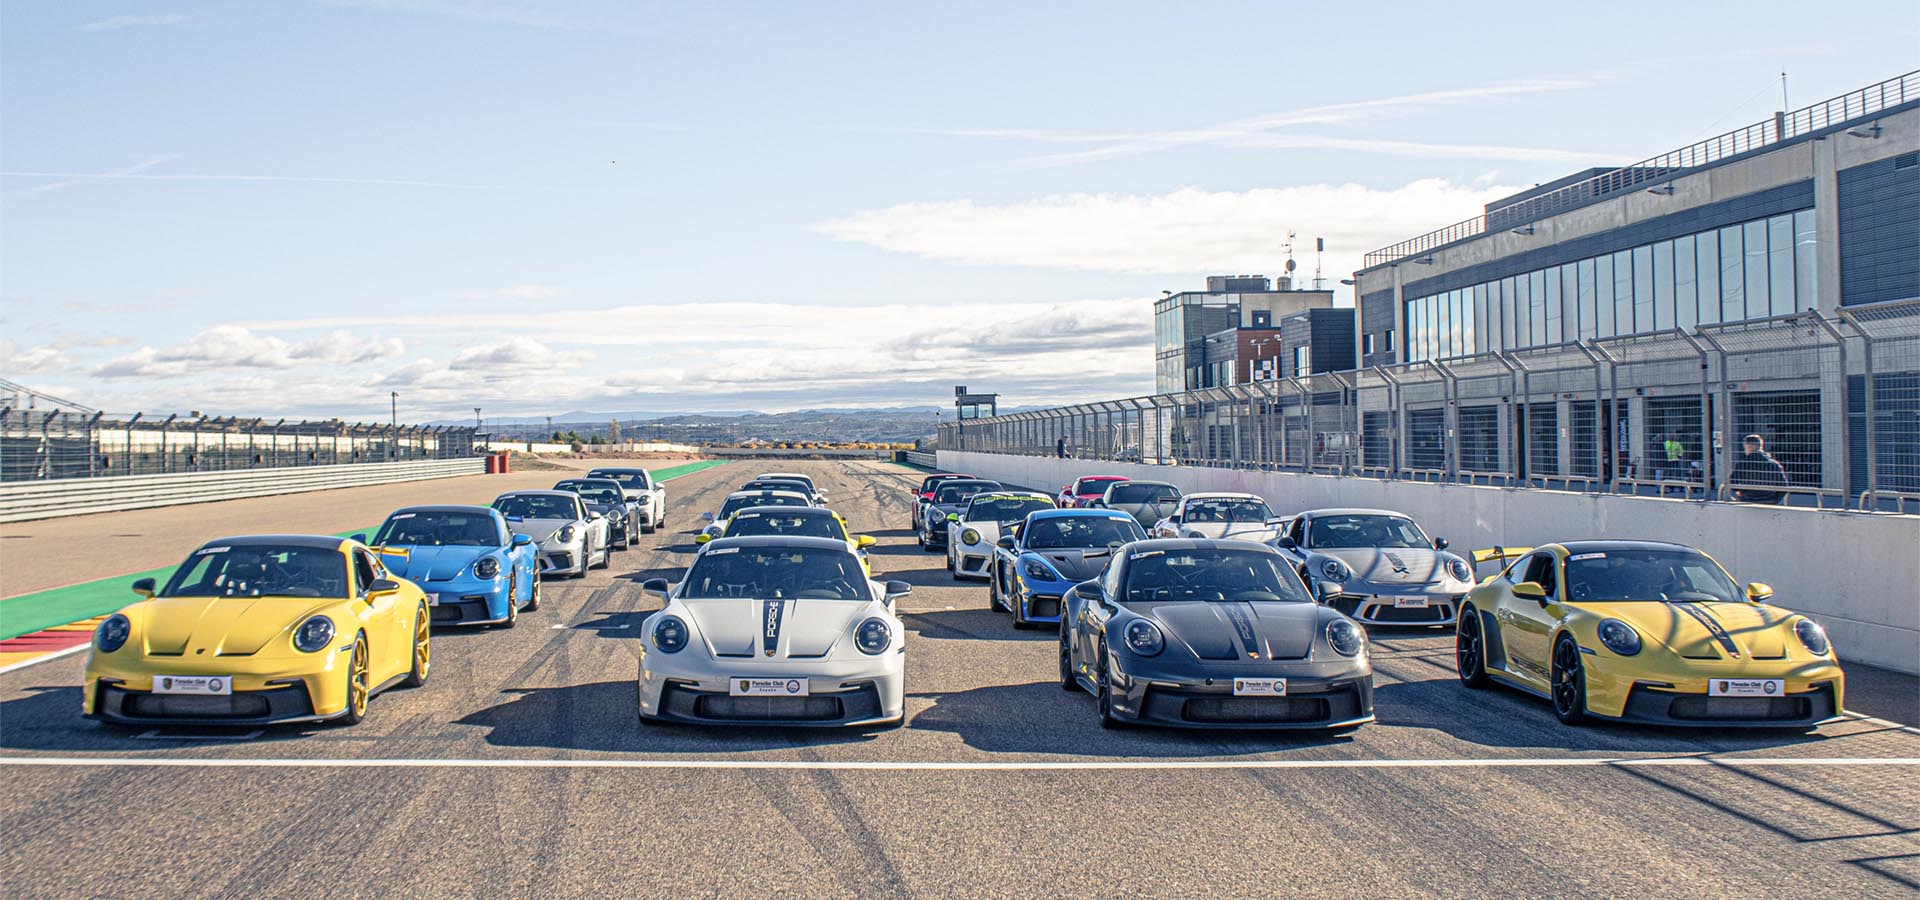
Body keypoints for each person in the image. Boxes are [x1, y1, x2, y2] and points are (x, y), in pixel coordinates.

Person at [1730, 434, 1788, 504]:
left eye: (1745, 448)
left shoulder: (1743, 464)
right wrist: (1775, 500)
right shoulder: (1774, 464)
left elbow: (1733, 485)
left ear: (1749, 447)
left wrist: (1743, 493)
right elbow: (1784, 486)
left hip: (1747, 501)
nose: (1745, 450)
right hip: (1769, 501)